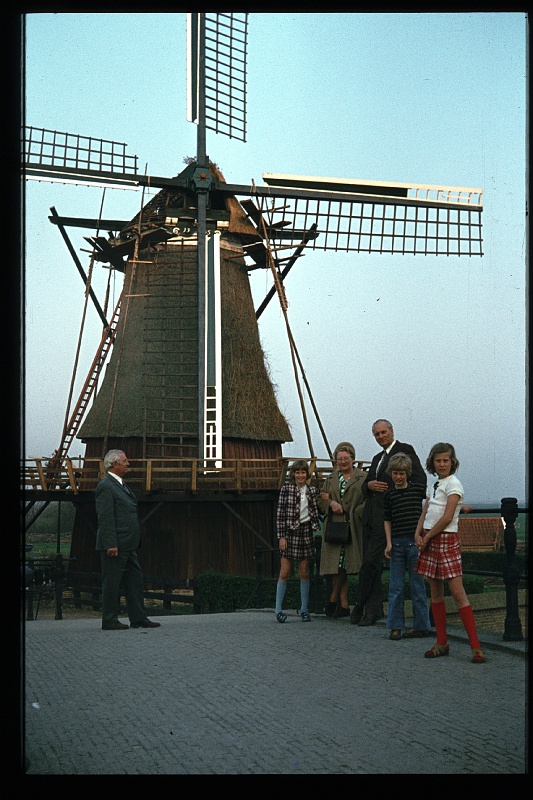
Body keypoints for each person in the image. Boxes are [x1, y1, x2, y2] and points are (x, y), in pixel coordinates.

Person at [414, 442, 486, 663]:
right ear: (432, 463)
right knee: (435, 592)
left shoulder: (454, 483)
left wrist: (426, 538)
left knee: (457, 591)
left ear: (452, 462)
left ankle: (476, 647)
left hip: (444, 539)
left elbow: (447, 517)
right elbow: (427, 509)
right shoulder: (435, 484)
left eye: (446, 460)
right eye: (438, 460)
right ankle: (442, 642)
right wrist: (417, 533)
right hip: (428, 538)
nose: (442, 464)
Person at [351, 420, 426, 626]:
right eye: (376, 434)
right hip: (371, 517)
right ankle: (373, 610)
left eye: (383, 432)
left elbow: (419, 481)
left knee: (371, 563)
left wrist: (397, 495)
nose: (380, 436)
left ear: (392, 431)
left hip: (391, 517)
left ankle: (360, 606)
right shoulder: (377, 458)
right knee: (370, 563)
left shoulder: (405, 450)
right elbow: (366, 485)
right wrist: (370, 485)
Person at [95, 449, 161, 631]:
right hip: (116, 544)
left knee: (135, 579)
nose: (128, 464)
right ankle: (109, 619)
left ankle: (138, 618)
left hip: (128, 543)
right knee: (112, 581)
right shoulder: (105, 486)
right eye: (125, 461)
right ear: (114, 464)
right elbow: (105, 517)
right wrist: (110, 543)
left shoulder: (120, 484)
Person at [383, 453, 431, 640]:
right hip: (396, 543)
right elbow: (387, 520)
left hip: (415, 545)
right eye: (395, 473)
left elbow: (430, 503)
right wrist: (388, 543)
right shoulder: (389, 495)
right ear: (391, 474)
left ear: (407, 473)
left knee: (418, 585)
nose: (399, 477)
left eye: (402, 473)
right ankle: (395, 626)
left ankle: (421, 626)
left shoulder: (417, 490)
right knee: (396, 587)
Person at [318, 442, 366, 618]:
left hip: (353, 526)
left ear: (352, 458)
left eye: (346, 458)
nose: (343, 462)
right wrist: (330, 503)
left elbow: (368, 500)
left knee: (345, 564)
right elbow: (320, 500)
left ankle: (333, 600)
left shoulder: (362, 477)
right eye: (340, 459)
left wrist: (356, 513)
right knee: (338, 566)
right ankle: (343, 604)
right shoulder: (330, 479)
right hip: (336, 526)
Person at [275, 459, 321, 622]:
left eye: (303, 472)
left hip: (306, 532)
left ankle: (304, 609)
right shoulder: (286, 490)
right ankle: (278, 610)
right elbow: (280, 514)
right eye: (297, 472)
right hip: (290, 532)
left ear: (306, 474)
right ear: (293, 474)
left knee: (304, 572)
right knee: (285, 572)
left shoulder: (313, 490)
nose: (300, 475)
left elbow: (319, 508)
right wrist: (281, 536)